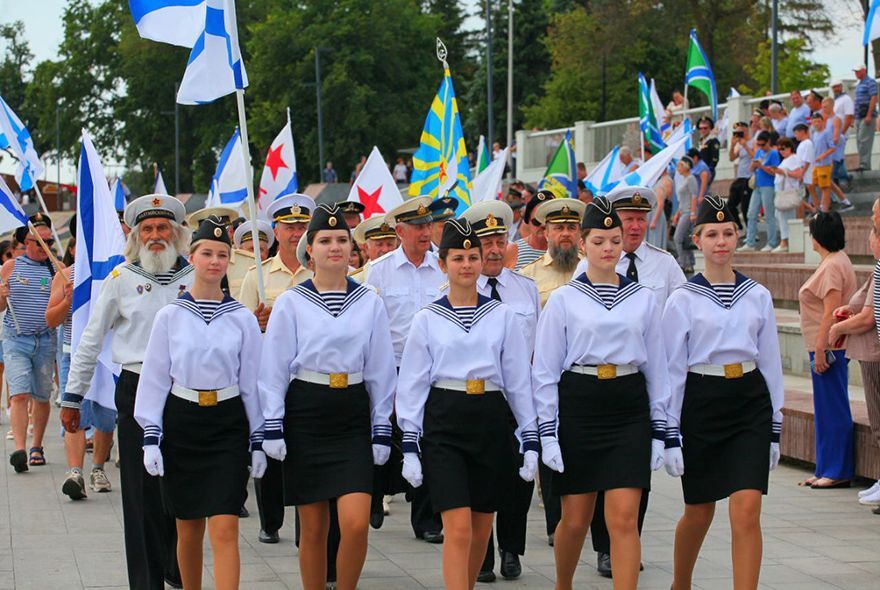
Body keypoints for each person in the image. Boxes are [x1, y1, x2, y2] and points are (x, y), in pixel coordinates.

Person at [396, 218, 539, 590]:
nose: (466, 265)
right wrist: (409, 442)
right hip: (445, 421)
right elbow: (412, 384)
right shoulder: (427, 319)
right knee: (458, 528)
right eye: (458, 258)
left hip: (490, 420)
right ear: (442, 263)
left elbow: (517, 381)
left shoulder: (502, 315)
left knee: (480, 526)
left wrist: (530, 435)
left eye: (472, 257)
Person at [532, 196, 668, 590]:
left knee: (623, 518)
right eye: (598, 241)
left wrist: (661, 427)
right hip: (580, 404)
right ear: (582, 245)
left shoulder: (642, 298)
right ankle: (563, 584)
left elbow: (657, 368)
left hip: (628, 407)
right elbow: (545, 371)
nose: (608, 248)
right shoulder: (564, 300)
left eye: (615, 240)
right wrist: (547, 432)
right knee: (575, 519)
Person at [260, 204, 397, 590]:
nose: (334, 247)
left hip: (352, 412)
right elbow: (273, 369)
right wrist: (272, 423)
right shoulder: (292, 302)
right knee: (314, 528)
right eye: (324, 240)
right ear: (310, 250)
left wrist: (381, 425)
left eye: (341, 240)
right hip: (307, 411)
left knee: (355, 523)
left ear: (352, 248)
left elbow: (381, 369)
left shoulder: (369, 301)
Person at [62, 194, 191, 589]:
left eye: (163, 227)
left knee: (183, 482)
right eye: (147, 229)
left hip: (187, 392)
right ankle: (146, 580)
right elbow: (91, 339)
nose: (155, 235)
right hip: (137, 389)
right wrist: (72, 396)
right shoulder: (121, 279)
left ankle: (177, 564)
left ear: (176, 233)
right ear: (135, 236)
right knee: (141, 491)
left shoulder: (197, 276)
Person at [134, 216, 266, 590]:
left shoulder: (241, 318)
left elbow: (252, 382)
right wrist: (151, 436)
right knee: (188, 527)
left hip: (227, 424)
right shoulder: (170, 316)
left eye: (222, 254)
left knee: (224, 527)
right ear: (191, 257)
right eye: (207, 253)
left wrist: (259, 438)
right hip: (183, 423)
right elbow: (155, 378)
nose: (215, 261)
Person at [662, 195, 784, 590]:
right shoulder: (682, 299)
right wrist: (670, 431)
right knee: (699, 512)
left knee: (746, 510)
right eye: (712, 234)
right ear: (696, 240)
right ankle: (681, 583)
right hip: (702, 402)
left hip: (749, 403)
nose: (721, 241)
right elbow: (673, 370)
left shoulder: (757, 295)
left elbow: (770, 362)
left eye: (728, 233)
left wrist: (775, 423)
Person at [570, 186, 685, 577]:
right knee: (588, 498)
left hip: (639, 387)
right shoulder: (582, 276)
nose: (634, 227)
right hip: (591, 394)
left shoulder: (663, 266)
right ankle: (595, 555)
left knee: (631, 492)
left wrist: (667, 413)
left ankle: (621, 547)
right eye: (627, 220)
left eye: (639, 220)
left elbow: (676, 326)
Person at [460, 201, 540, 582]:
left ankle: (511, 548)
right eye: (486, 242)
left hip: (518, 398)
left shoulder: (526, 289)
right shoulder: (458, 293)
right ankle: (483, 555)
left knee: (519, 477)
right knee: (481, 477)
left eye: (499, 240)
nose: (494, 250)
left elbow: (537, 348)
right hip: (479, 398)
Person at [365, 196, 445, 544]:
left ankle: (426, 519)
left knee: (427, 438)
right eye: (417, 227)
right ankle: (373, 496)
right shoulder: (379, 270)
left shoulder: (443, 265)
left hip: (433, 366)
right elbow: (372, 327)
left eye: (428, 225)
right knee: (385, 432)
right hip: (393, 364)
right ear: (400, 231)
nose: (425, 232)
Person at [237, 193, 314, 545]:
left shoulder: (319, 271)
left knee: (305, 450)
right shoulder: (258, 274)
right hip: (269, 373)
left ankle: (307, 524)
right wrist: (256, 323)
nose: (296, 233)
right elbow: (239, 329)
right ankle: (270, 521)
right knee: (269, 442)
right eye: (289, 226)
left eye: (302, 226)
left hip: (308, 373)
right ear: (276, 231)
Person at [47, 221, 115, 499]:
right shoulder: (65, 276)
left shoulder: (115, 273)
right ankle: (75, 472)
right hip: (72, 355)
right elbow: (51, 320)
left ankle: (98, 468)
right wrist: (67, 301)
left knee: (106, 417)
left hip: (106, 357)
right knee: (74, 412)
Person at [798, 211, 857, 489]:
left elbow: (830, 312)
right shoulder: (835, 261)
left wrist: (821, 348)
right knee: (825, 408)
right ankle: (825, 466)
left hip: (829, 347)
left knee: (832, 407)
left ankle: (837, 469)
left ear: (817, 237)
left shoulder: (833, 265)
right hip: (824, 345)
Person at [0, 213, 59, 472]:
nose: (46, 246)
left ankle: (37, 446)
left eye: (49, 241)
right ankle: (20, 449)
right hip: (16, 338)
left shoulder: (56, 268)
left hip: (45, 339)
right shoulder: (10, 267)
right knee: (20, 394)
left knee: (41, 396)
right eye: (40, 242)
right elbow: (1, 306)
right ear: (26, 243)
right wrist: (1, 295)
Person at [829, 224, 880, 506]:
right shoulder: (876, 270)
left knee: (879, 423)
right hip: (869, 353)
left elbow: (868, 319)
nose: (869, 239)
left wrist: (838, 329)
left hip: (874, 355)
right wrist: (851, 311)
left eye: (873, 232)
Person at [519, 198, 586, 306]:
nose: (565, 234)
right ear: (546, 234)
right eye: (559, 228)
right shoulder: (528, 275)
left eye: (571, 228)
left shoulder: (592, 268)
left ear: (580, 233)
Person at [740, 131, 780, 252]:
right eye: (759, 144)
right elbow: (751, 168)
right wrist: (754, 165)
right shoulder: (758, 152)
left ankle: (771, 242)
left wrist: (761, 166)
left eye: (763, 144)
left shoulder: (774, 154)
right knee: (751, 214)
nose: (761, 147)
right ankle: (750, 242)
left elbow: (775, 172)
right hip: (757, 185)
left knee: (769, 215)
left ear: (768, 142)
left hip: (768, 185)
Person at [772, 137, 804, 253]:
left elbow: (799, 174)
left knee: (786, 217)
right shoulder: (785, 160)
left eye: (783, 148)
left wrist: (783, 172)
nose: (781, 151)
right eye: (779, 149)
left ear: (790, 148)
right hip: (782, 192)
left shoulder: (793, 158)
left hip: (788, 193)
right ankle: (785, 241)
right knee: (780, 216)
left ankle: (785, 242)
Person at [229, 219, 274, 296]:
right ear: (241, 250)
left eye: (261, 249)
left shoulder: (273, 274)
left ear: (267, 253)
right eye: (251, 249)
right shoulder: (230, 270)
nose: (257, 254)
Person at [511, 189, 553, 270]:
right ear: (528, 221)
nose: (543, 225)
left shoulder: (565, 250)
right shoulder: (513, 250)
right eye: (537, 221)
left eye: (548, 221)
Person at [349, 216, 398, 283]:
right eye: (379, 244)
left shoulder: (408, 273)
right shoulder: (354, 280)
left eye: (390, 244)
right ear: (366, 248)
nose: (385, 250)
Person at [672, 157, 699, 273]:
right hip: (683, 211)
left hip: (688, 212)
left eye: (680, 166)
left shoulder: (691, 179)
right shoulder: (684, 179)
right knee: (685, 239)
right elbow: (682, 200)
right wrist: (677, 214)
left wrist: (693, 213)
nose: (678, 168)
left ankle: (682, 262)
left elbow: (694, 196)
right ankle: (689, 263)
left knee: (677, 237)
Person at [728, 122, 755, 232]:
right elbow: (731, 158)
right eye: (736, 132)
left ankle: (751, 232)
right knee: (730, 204)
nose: (738, 134)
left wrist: (745, 145)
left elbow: (755, 156)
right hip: (740, 177)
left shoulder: (753, 142)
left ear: (746, 131)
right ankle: (739, 226)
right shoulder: (739, 145)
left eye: (740, 132)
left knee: (745, 207)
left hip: (749, 177)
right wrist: (732, 145)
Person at [811, 111, 837, 213]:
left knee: (825, 187)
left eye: (818, 121)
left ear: (822, 122)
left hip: (825, 164)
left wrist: (822, 156)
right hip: (816, 164)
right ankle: (818, 206)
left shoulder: (826, 133)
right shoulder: (814, 134)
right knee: (812, 184)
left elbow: (832, 148)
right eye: (815, 122)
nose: (817, 124)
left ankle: (824, 209)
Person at [853, 64, 877, 171]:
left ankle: (865, 164)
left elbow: (873, 98)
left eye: (858, 71)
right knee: (859, 140)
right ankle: (863, 162)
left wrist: (869, 115)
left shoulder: (870, 82)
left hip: (866, 115)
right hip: (859, 116)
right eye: (855, 72)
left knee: (864, 140)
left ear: (864, 70)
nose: (856, 73)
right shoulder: (859, 84)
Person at [793, 124, 817, 215]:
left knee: (812, 193)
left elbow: (807, 160)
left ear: (802, 132)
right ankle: (813, 210)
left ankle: (817, 211)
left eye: (796, 133)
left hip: (808, 173)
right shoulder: (802, 144)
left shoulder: (808, 143)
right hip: (803, 172)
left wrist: (802, 173)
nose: (795, 136)